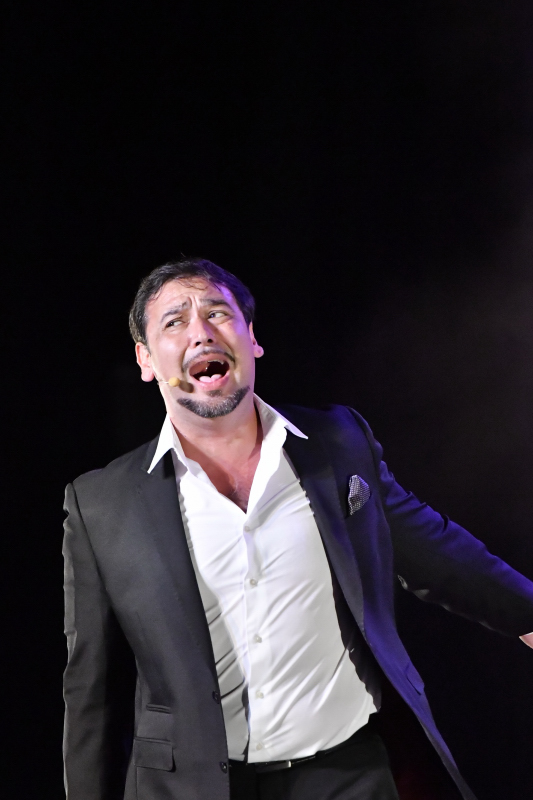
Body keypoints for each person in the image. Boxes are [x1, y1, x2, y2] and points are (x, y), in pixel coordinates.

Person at [63, 258, 533, 800]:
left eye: (218, 313)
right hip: (194, 786)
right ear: (146, 360)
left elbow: (432, 550)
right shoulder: (101, 504)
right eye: (175, 321)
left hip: (350, 773)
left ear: (252, 338)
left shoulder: (338, 443)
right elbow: (91, 693)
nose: (201, 331)